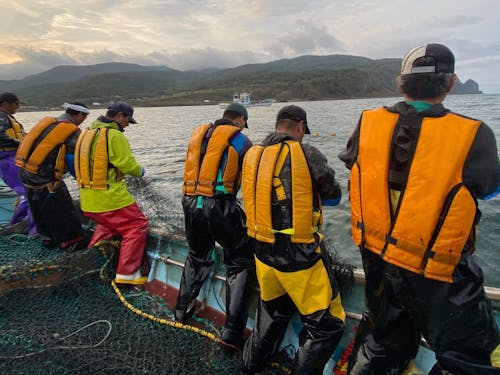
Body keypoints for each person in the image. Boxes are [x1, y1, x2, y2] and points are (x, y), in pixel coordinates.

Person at [339, 43, 500, 375]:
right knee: (469, 358)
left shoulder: (367, 122)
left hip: (378, 261)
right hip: (438, 272)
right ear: (451, 83)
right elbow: (490, 189)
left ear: (401, 83)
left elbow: (352, 163)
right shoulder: (473, 134)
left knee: (381, 344)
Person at [241, 105, 346, 375]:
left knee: (272, 310)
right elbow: (334, 197)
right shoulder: (307, 153)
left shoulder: (254, 153)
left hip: (262, 253)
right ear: (300, 127)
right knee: (328, 325)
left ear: (278, 125)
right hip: (298, 257)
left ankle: (248, 368)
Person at [175, 102, 254, 351]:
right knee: (240, 263)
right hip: (219, 206)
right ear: (239, 120)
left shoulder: (199, 136)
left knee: (196, 255)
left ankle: (180, 311)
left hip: (190, 203)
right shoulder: (241, 141)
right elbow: (251, 180)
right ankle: (231, 333)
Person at [74, 101, 148, 285]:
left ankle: (91, 261)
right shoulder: (114, 136)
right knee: (136, 225)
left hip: (88, 201)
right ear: (119, 116)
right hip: (110, 198)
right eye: (127, 121)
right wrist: (141, 171)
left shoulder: (86, 132)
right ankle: (127, 275)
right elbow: (127, 165)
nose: (127, 125)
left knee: (108, 226)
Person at [16, 102, 90, 250]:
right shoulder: (72, 131)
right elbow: (71, 159)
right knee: (64, 210)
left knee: (39, 210)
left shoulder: (47, 124)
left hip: (26, 175)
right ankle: (71, 242)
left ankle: (47, 239)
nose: (83, 120)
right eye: (84, 117)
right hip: (45, 180)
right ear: (78, 115)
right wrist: (81, 179)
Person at [0, 92, 36, 234]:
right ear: (6, 104)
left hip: (12, 157)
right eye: (16, 104)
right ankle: (25, 224)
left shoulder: (7, 117)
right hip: (7, 159)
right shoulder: (1, 117)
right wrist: (20, 143)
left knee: (27, 191)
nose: (18, 107)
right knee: (27, 190)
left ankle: (19, 221)